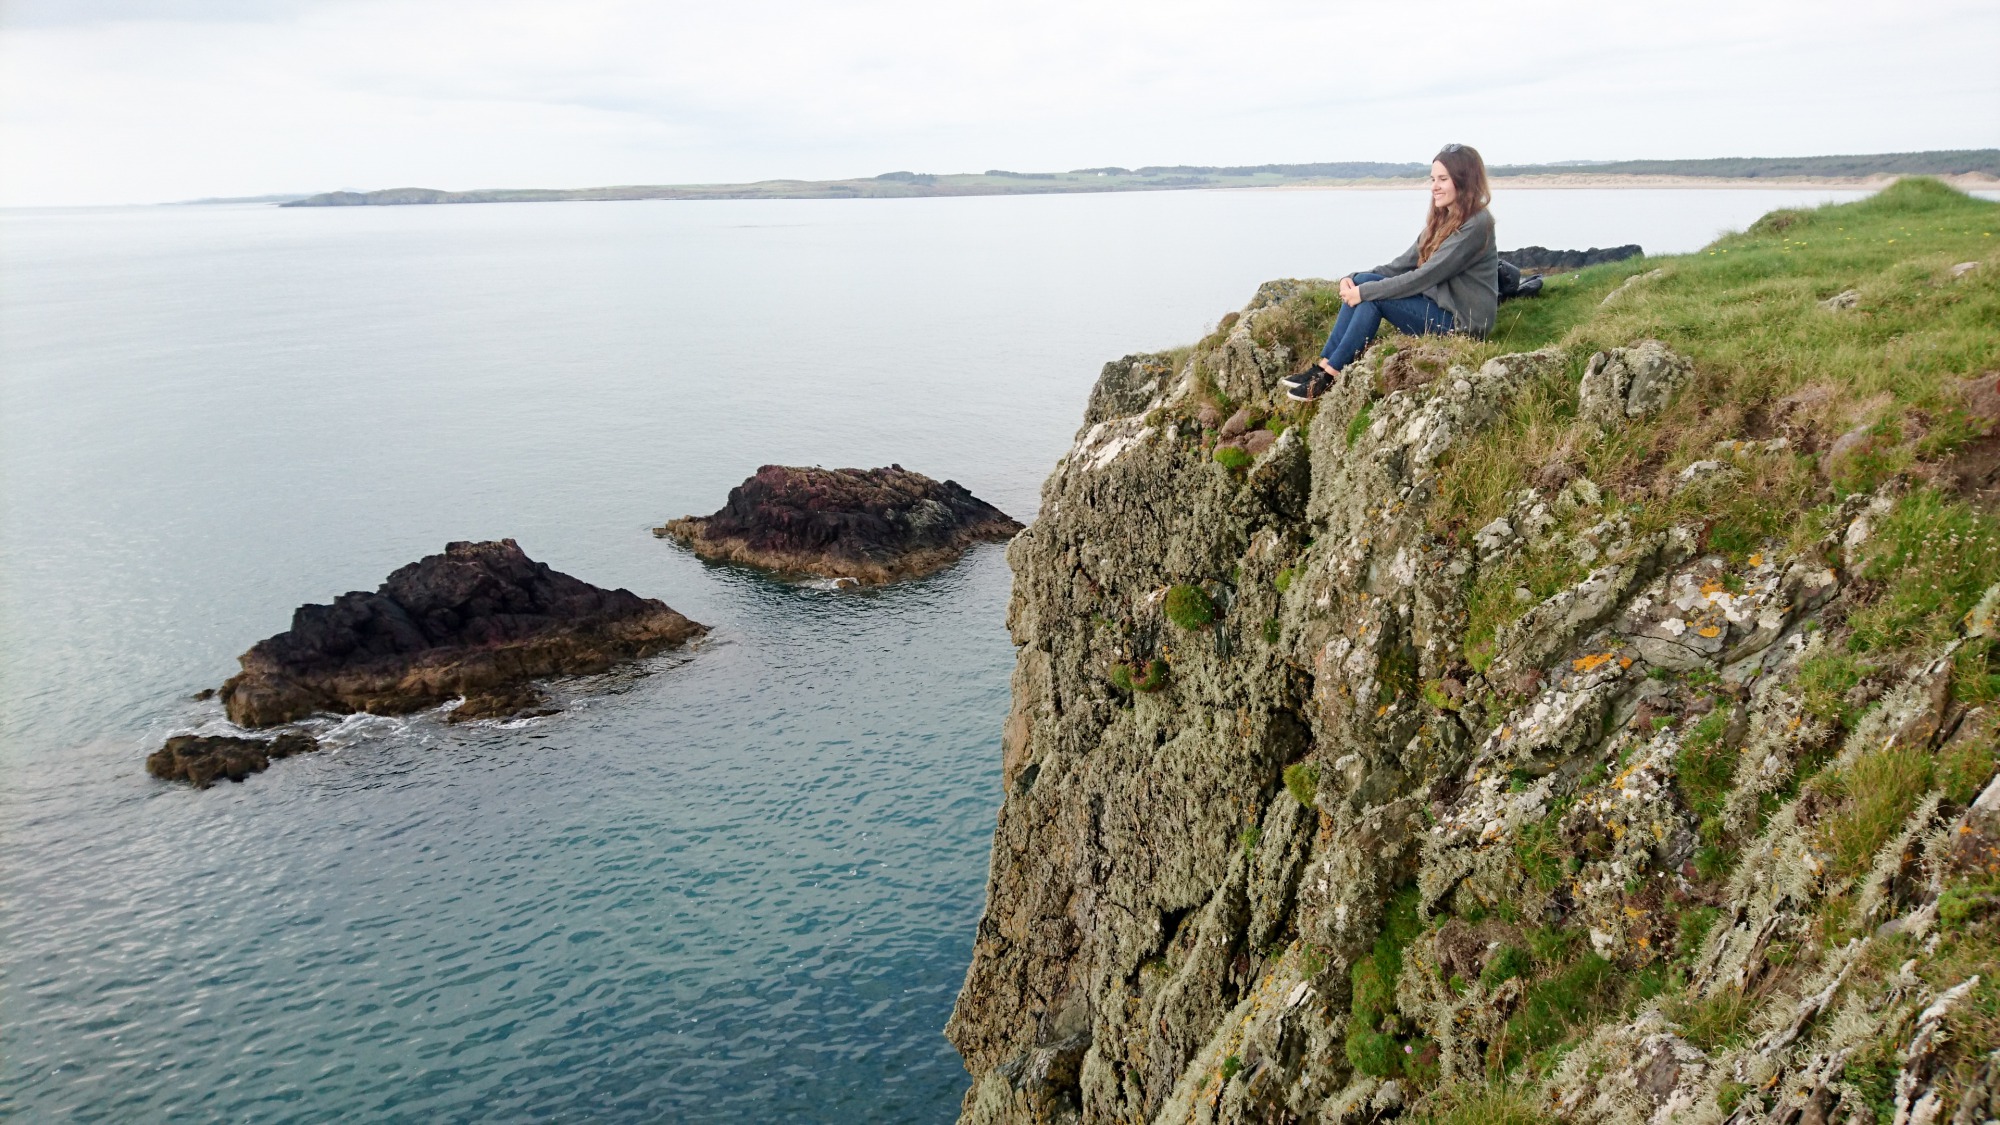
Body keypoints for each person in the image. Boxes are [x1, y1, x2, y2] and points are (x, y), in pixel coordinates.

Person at [1283, 144, 1498, 401]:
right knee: (1364, 284)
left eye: (1443, 179)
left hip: (1462, 324)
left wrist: (1364, 292)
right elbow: (1401, 265)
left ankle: (1330, 374)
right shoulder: (1443, 218)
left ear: (1464, 181)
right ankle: (1324, 365)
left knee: (1374, 299)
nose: (1434, 186)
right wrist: (1352, 278)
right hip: (1438, 307)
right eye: (1432, 179)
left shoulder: (1475, 224)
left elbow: (1424, 276)